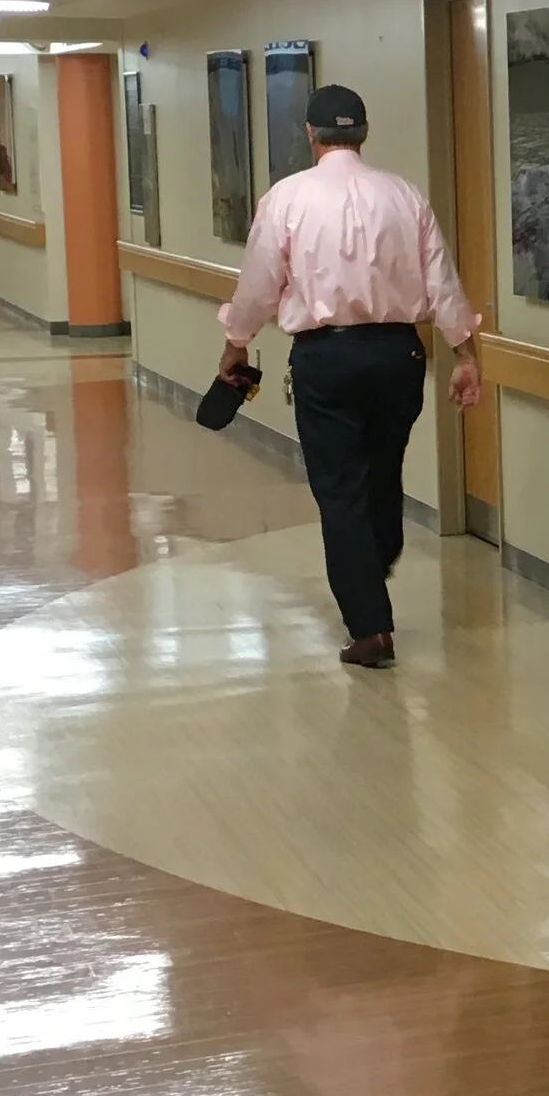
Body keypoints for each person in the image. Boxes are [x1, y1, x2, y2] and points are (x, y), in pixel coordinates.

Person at [216, 84, 483, 669]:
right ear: (363, 133)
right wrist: (465, 355)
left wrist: (236, 344)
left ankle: (370, 629)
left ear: (310, 134)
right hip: (398, 355)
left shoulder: (287, 198)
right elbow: (441, 280)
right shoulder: (404, 195)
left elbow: (258, 285)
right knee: (382, 472)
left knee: (340, 490)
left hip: (325, 358)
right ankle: (375, 559)